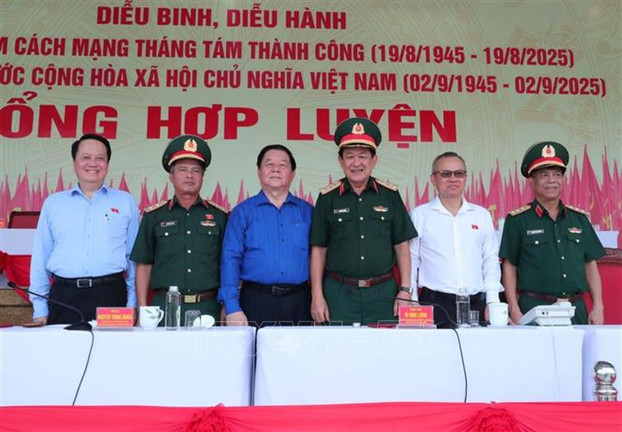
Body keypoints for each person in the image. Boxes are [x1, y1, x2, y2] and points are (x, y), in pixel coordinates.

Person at [310, 117, 417, 325]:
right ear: (340, 160)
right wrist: (317, 295)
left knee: (385, 345)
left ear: (374, 160)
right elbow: (319, 249)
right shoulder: (327, 198)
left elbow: (401, 244)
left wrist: (405, 289)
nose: (356, 163)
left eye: (363, 156)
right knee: (337, 346)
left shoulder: (390, 195)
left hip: (383, 294)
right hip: (338, 295)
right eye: (350, 156)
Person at [29, 133, 140, 325]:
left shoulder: (125, 201)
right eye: (86, 157)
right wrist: (40, 308)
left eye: (100, 158)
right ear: (75, 163)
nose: (93, 163)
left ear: (107, 164)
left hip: (111, 295)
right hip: (64, 296)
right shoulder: (54, 203)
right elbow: (41, 256)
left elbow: (133, 258)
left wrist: (132, 304)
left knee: (113, 345)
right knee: (63, 345)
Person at [499, 141, 605, 325]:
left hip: (575, 309)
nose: (551, 180)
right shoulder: (517, 220)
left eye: (557, 175)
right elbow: (510, 266)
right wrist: (514, 309)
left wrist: (598, 307)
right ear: (532, 181)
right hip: (533, 309)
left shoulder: (579, 219)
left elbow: (590, 265)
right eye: (544, 175)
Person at [130, 135, 228, 323]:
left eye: (196, 170)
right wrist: (142, 309)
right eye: (183, 170)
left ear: (202, 177)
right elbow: (144, 265)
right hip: (163, 308)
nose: (190, 175)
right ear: (171, 176)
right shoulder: (154, 216)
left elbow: (228, 264)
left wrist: (227, 305)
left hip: (208, 307)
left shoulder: (220, 217)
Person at [219, 144, 313, 327]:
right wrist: (232, 307)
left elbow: (319, 258)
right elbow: (230, 259)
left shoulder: (307, 212)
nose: (276, 169)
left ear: (293, 173)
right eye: (269, 164)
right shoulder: (242, 212)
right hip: (255, 300)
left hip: (300, 302)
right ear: (259, 171)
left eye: (283, 165)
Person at [409, 152, 502, 328]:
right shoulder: (420, 215)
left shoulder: (481, 215)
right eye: (445, 174)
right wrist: (412, 301)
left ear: (465, 178)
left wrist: (492, 301)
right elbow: (412, 261)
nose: (453, 179)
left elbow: (490, 261)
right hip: (435, 304)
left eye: (459, 173)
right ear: (433, 179)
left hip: (476, 304)